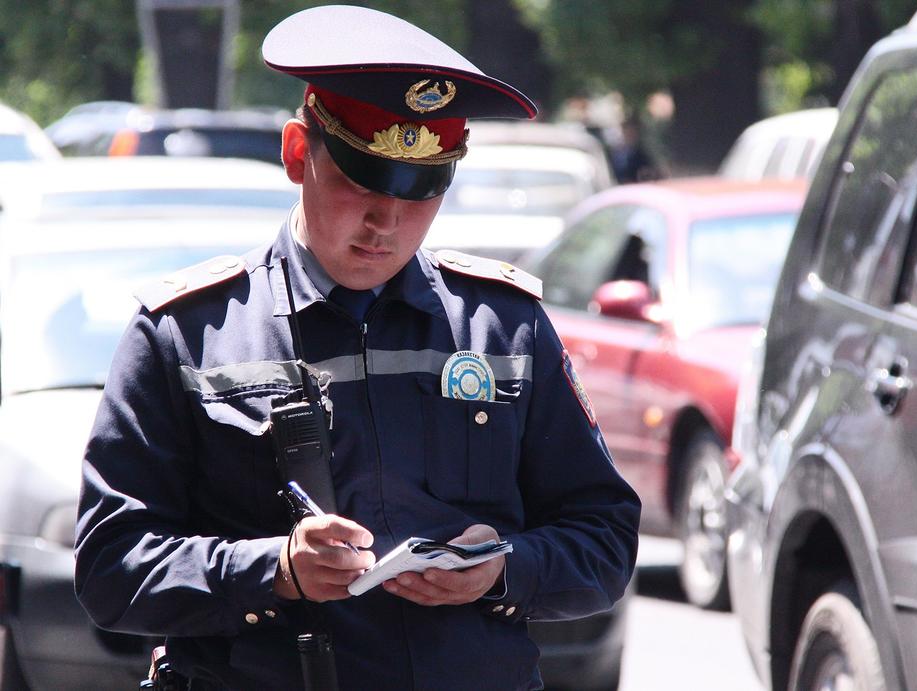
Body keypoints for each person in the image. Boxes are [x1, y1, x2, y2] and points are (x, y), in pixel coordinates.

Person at [73, 6, 640, 690]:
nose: (386, 223)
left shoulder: (503, 325)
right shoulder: (185, 332)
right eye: (361, 183)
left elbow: (606, 539)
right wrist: (275, 570)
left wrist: (503, 568)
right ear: (297, 154)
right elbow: (110, 569)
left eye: (421, 192)